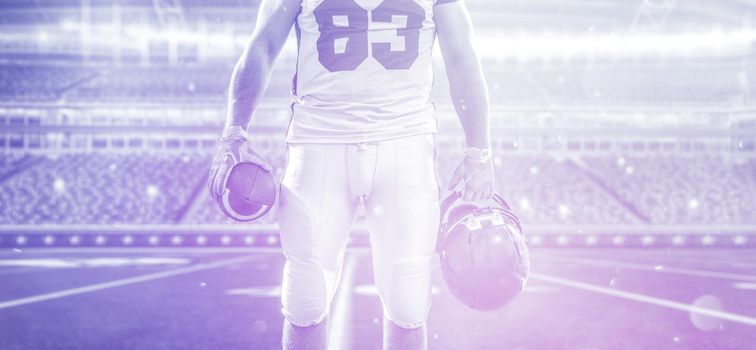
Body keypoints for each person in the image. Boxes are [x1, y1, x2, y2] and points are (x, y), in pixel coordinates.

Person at [208, 0, 494, 348]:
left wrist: (480, 151)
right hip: (319, 141)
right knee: (305, 300)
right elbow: (263, 45)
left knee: (408, 303)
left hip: (403, 143)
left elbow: (462, 57)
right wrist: (233, 132)